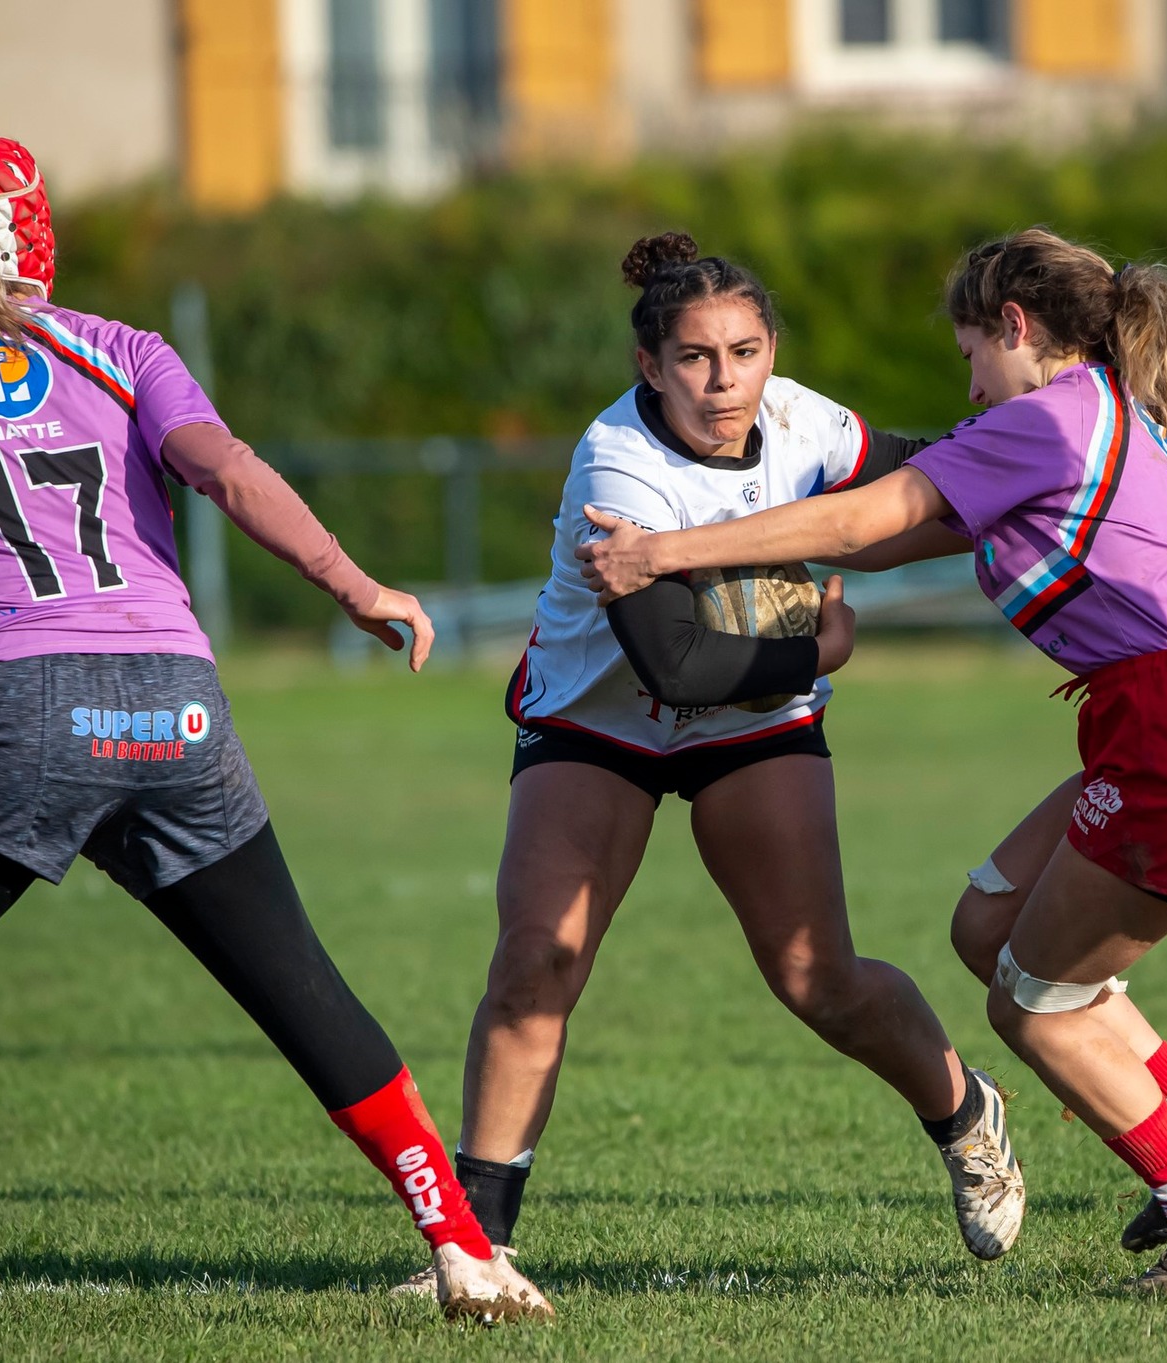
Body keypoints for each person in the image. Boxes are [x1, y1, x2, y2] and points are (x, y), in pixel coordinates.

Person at [0, 136, 549, 1345]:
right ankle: (464, 1249)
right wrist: (356, 586)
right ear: (42, 230)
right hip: (177, 703)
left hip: (20, 717)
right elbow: (227, 470)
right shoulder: (121, 351)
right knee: (299, 987)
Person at [579, 228, 1167, 1294]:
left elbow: (858, 518)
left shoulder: (1037, 419)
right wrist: (751, 527)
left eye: (969, 349)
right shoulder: (1098, 405)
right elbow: (878, 537)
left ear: (1014, 328)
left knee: (1030, 1005)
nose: (965, 379)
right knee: (987, 928)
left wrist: (661, 551)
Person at [392, 233, 1024, 1303]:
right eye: (694, 358)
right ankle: (475, 1250)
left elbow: (919, 470)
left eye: (743, 350)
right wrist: (818, 652)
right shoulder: (618, 462)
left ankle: (964, 1116)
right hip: (604, 717)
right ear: (649, 365)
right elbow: (675, 665)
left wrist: (1026, 464)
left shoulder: (799, 419)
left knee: (816, 980)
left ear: (770, 349)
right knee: (535, 963)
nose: (723, 381)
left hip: (754, 722)